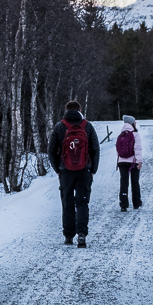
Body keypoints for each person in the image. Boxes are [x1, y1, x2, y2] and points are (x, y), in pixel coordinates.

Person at [47, 100, 100, 248]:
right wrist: (93, 170)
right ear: (80, 110)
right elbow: (95, 149)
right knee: (82, 202)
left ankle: (69, 236)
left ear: (66, 110)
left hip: (65, 172)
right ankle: (81, 234)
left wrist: (58, 169)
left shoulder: (59, 127)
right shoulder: (87, 126)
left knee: (67, 202)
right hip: (84, 171)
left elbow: (51, 151)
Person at [116, 114, 143, 211]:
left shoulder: (121, 134)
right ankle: (136, 203)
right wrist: (139, 161)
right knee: (135, 182)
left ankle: (123, 204)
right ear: (132, 123)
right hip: (133, 162)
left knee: (123, 182)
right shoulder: (135, 134)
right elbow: (138, 149)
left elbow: (118, 149)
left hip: (122, 162)